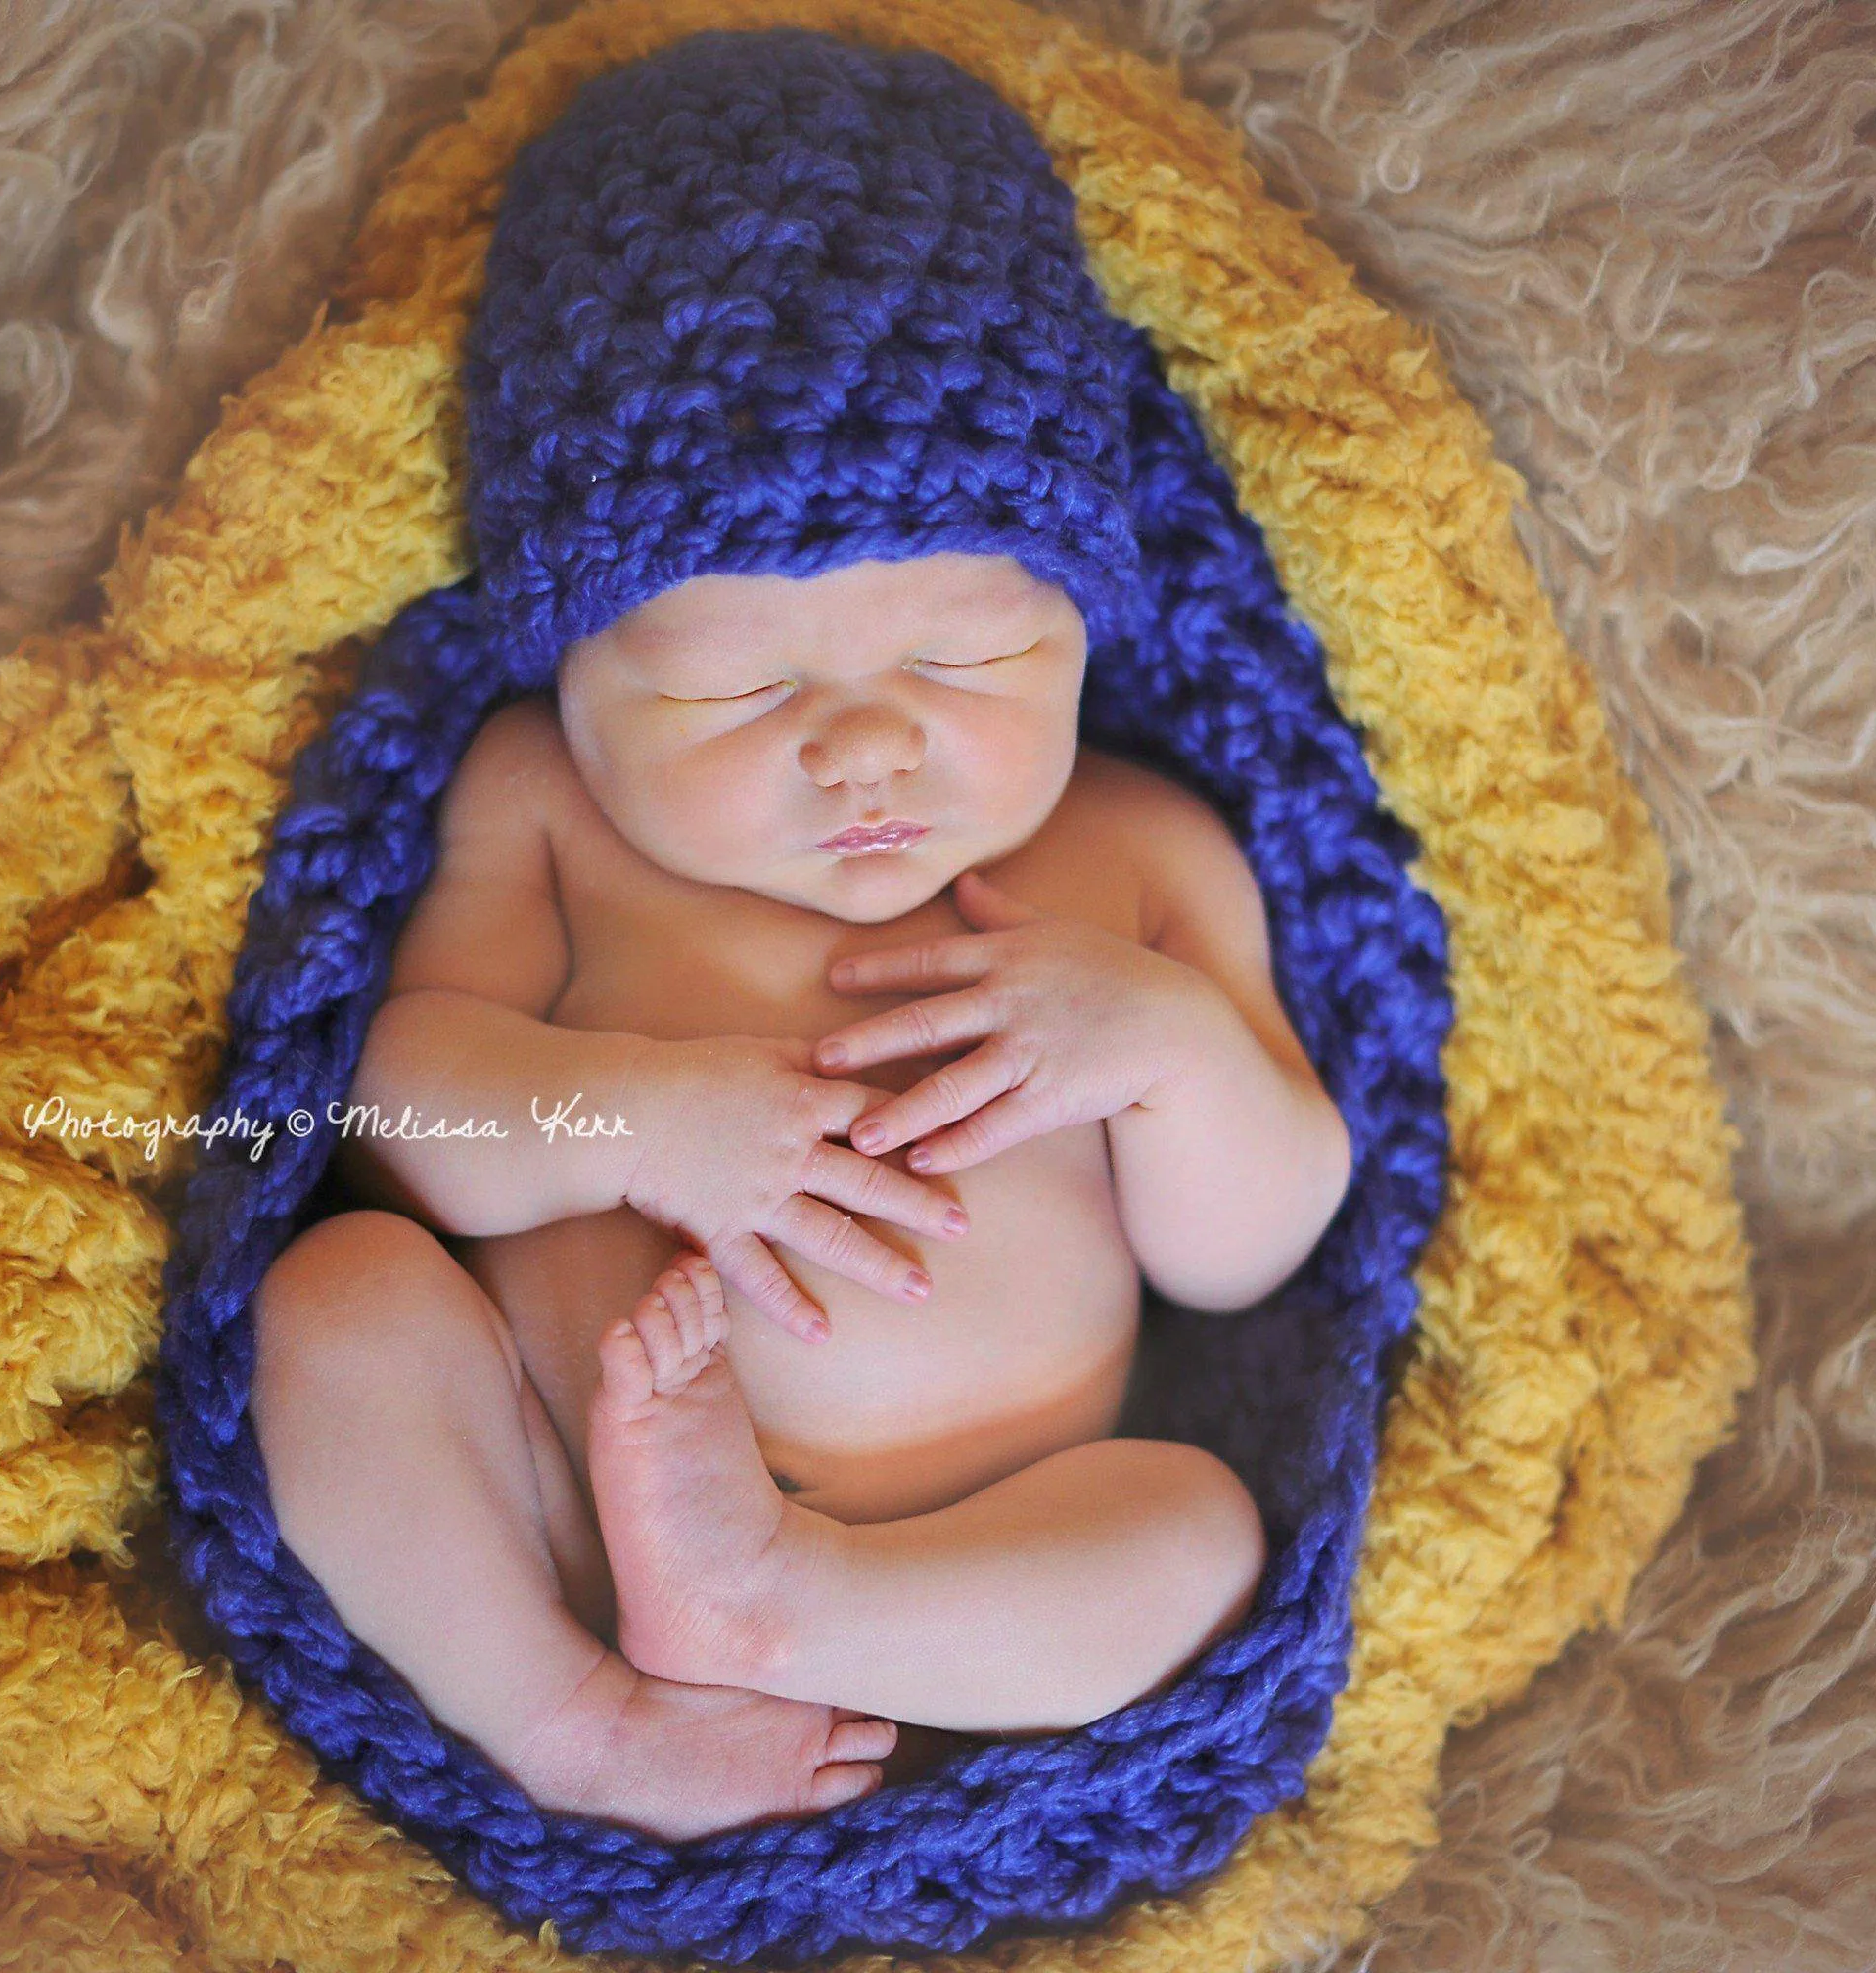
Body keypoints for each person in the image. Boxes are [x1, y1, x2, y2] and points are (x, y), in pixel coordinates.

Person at [247, 29, 1352, 1844]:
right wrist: (634, 1119)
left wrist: (1160, 1045)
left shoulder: (1137, 859)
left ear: (1080, 619)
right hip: (554, 1514)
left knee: (1202, 1540)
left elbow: (1253, 1253)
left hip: (982, 1565)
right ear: (567, 665)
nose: (861, 743)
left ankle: (783, 1596)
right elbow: (405, 1126)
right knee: (336, 1306)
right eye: (737, 684)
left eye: (966, 658)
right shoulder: (549, 814)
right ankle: (575, 1718)